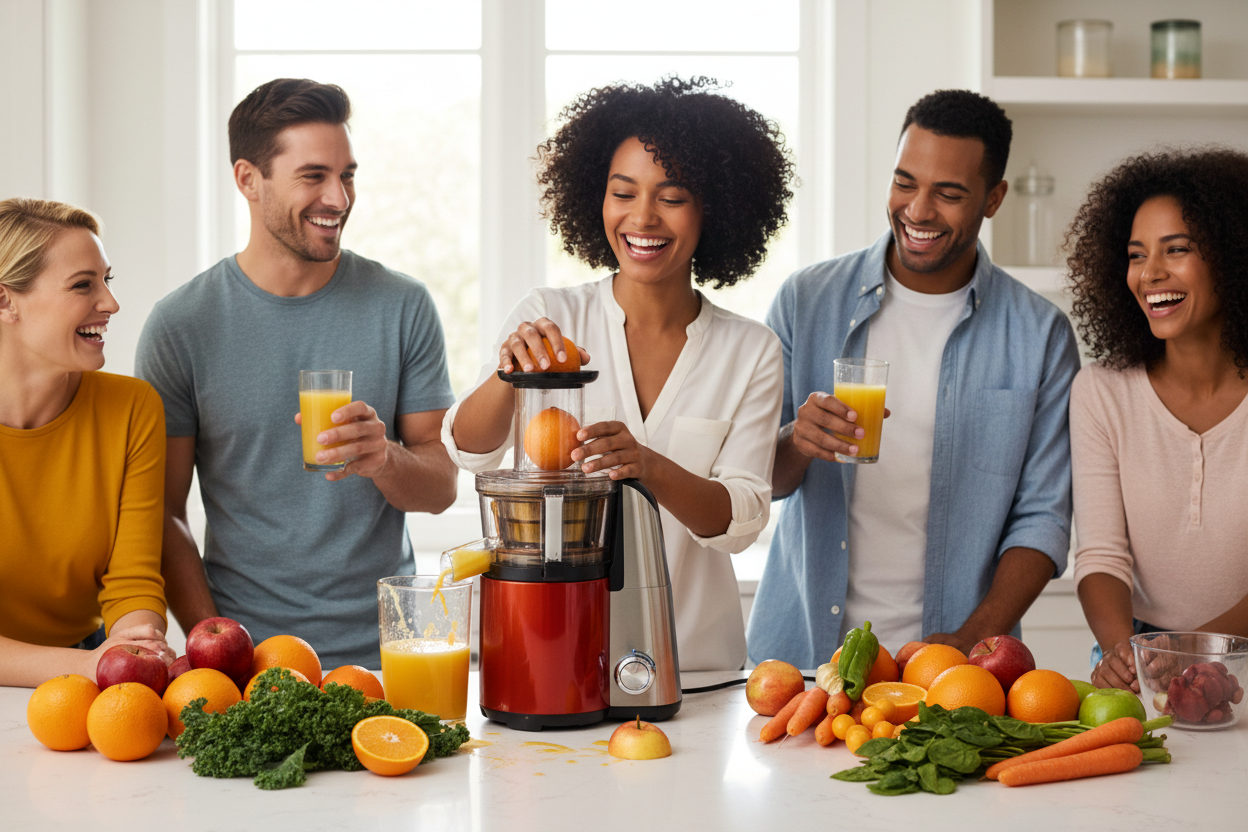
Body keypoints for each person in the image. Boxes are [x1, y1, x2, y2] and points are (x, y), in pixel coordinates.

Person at [442, 77, 795, 670]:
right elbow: (468, 450)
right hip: (555, 652)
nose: (643, 218)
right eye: (622, 192)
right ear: (595, 199)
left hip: (696, 664)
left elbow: (739, 521)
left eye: (673, 197)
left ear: (717, 208)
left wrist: (649, 465)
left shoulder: (751, 350)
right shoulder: (551, 316)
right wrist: (511, 372)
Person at [748, 89, 1081, 668]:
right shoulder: (806, 301)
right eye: (905, 183)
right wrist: (796, 442)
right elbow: (755, 485)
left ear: (994, 198)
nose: (919, 210)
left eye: (949, 194)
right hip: (799, 660)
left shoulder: (1040, 335)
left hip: (957, 669)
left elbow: (1043, 519)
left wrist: (970, 640)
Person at [136, 79, 457, 669]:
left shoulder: (403, 305)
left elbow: (441, 487)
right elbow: (163, 513)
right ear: (247, 180)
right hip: (249, 660)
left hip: (391, 656)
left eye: (348, 175)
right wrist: (215, 644)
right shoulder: (182, 325)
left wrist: (384, 457)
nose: (338, 197)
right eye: (314, 176)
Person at [1066, 148, 1248, 692]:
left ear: (1234, 255)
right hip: (1140, 650)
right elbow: (1100, 552)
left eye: (1178, 250)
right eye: (1136, 254)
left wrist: (1193, 654)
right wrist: (1129, 655)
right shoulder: (1102, 393)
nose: (1151, 274)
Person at [0, 198, 173, 687]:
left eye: (106, 281)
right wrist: (91, 665)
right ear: (5, 300)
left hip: (87, 666)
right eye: (83, 285)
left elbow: (133, 579)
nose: (111, 303)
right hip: (75, 668)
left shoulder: (132, 408)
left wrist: (137, 644)